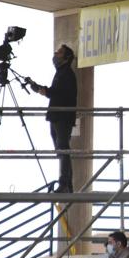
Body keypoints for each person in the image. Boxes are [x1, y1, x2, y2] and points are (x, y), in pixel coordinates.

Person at [29, 44, 77, 193]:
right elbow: (54, 93)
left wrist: (42, 90)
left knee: (63, 148)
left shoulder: (66, 73)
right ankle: (66, 184)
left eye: (60, 52)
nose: (56, 54)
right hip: (57, 116)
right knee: (61, 149)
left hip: (62, 117)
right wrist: (39, 88)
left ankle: (65, 183)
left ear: (66, 57)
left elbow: (57, 94)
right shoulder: (61, 72)